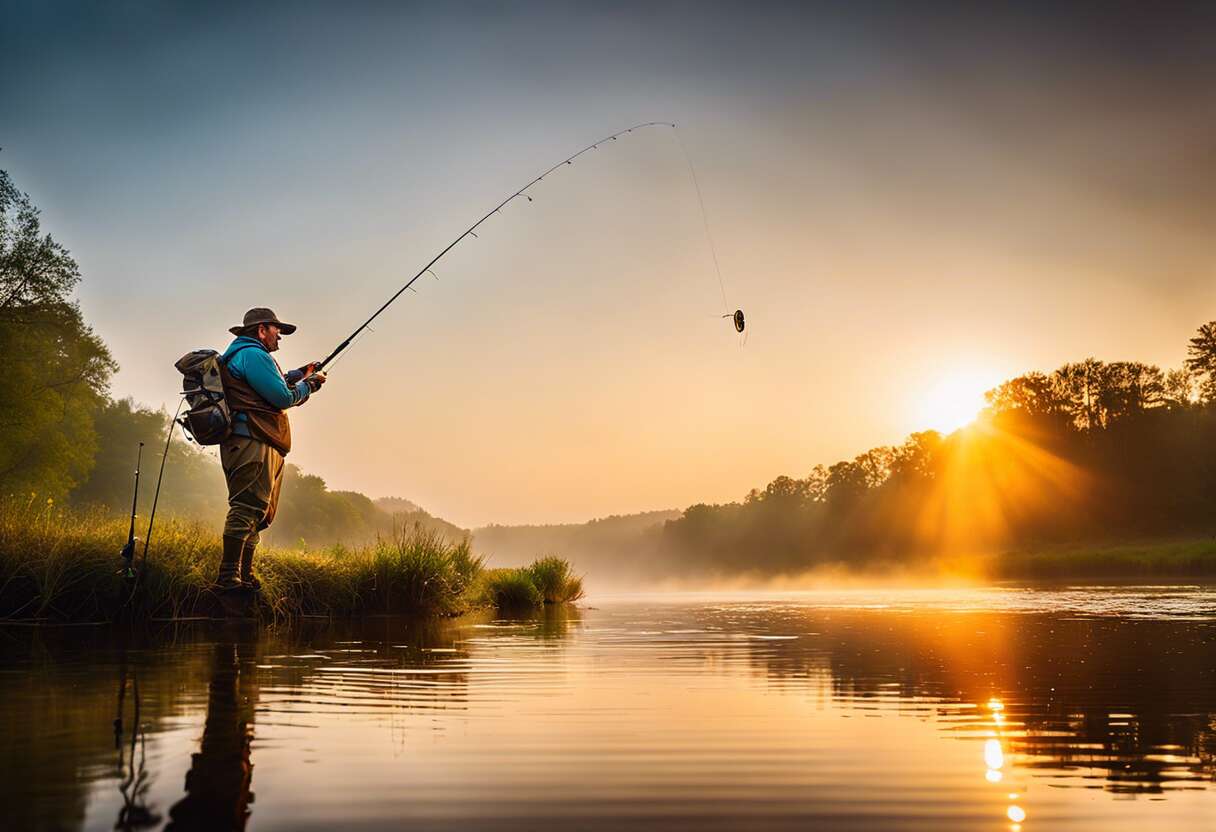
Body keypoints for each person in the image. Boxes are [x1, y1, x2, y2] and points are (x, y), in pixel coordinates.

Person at [215, 308, 325, 590]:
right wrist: (309, 386)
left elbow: (269, 385)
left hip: (257, 441)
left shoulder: (247, 355)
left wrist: (301, 373)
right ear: (262, 330)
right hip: (252, 440)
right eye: (277, 330)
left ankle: (244, 576)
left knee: (258, 513)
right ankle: (228, 578)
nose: (280, 336)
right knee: (247, 507)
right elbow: (282, 397)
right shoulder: (253, 355)